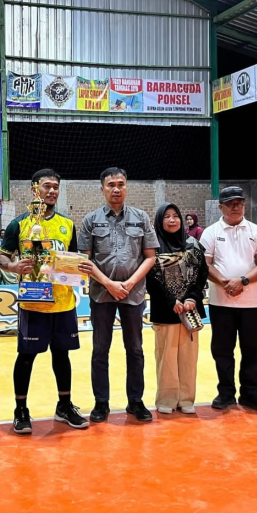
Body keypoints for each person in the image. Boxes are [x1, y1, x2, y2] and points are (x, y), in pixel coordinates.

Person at [0, 169, 88, 434]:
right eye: (47, 186)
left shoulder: (67, 224)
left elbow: (72, 258)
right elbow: (3, 256)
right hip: (33, 302)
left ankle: (64, 406)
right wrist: (13, 266)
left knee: (62, 355)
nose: (52, 191)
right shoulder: (19, 224)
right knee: (26, 356)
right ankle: (21, 410)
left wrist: (76, 269)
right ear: (34, 189)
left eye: (55, 187)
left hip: (63, 301)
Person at [78, 168, 158, 423]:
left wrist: (130, 283)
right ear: (102, 188)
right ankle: (101, 402)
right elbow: (85, 260)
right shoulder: (91, 220)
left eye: (121, 184)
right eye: (111, 184)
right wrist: (109, 284)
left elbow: (150, 257)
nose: (116, 189)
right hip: (101, 294)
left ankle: (135, 401)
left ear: (126, 187)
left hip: (133, 295)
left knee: (135, 349)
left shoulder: (141, 217)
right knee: (100, 349)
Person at [200, 187, 257, 412]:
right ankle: (225, 393)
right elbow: (205, 264)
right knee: (222, 350)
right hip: (221, 302)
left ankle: (250, 393)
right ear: (220, 207)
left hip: (252, 303)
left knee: (253, 349)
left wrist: (242, 281)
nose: (235, 207)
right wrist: (225, 283)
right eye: (230, 203)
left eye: (239, 203)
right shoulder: (210, 233)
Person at [146, 204, 208, 414]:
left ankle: (186, 399)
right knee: (167, 358)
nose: (172, 220)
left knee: (189, 358)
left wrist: (192, 298)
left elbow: (202, 274)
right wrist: (171, 300)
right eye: (167, 216)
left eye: (175, 216)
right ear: (159, 221)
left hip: (190, 309)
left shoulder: (193, 244)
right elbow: (151, 279)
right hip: (166, 310)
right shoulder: (152, 246)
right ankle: (167, 399)